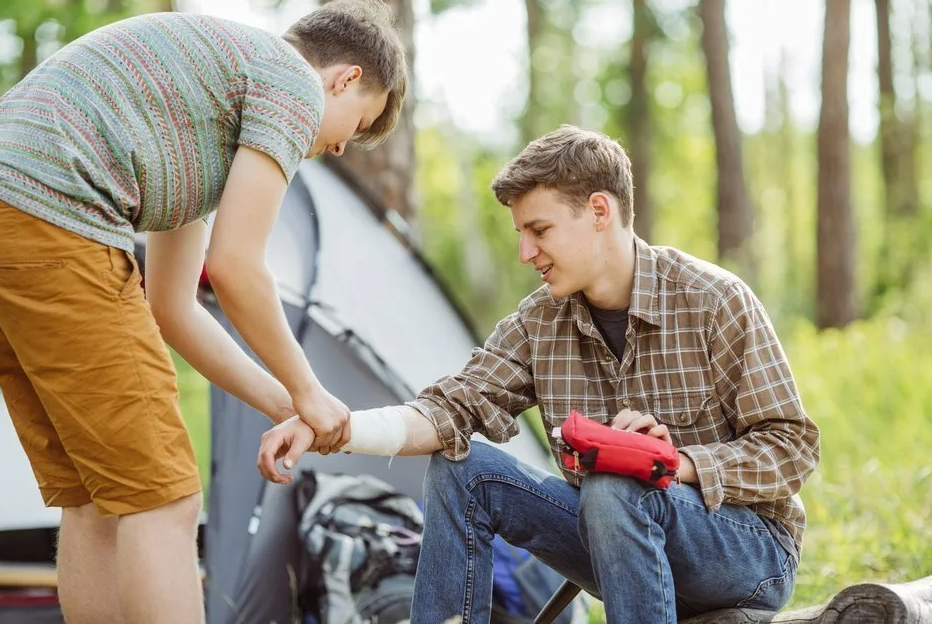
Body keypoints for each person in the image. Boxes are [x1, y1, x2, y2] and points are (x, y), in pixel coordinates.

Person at [257, 125, 821, 624]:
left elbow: (793, 447)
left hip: (744, 552)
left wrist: (679, 465)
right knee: (463, 470)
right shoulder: (538, 321)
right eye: (521, 233)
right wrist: (334, 427)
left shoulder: (713, 298)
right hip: (614, 542)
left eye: (540, 230)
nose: (526, 251)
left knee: (614, 482)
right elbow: (451, 408)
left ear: (600, 212)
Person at [0, 1, 407, 623]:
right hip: (56, 215)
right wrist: (310, 388)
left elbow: (174, 309)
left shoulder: (196, 122)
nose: (341, 144)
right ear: (344, 79)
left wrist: (288, 405)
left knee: (96, 499)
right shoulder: (291, 80)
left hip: (17, 217)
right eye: (358, 121)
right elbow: (239, 269)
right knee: (164, 499)